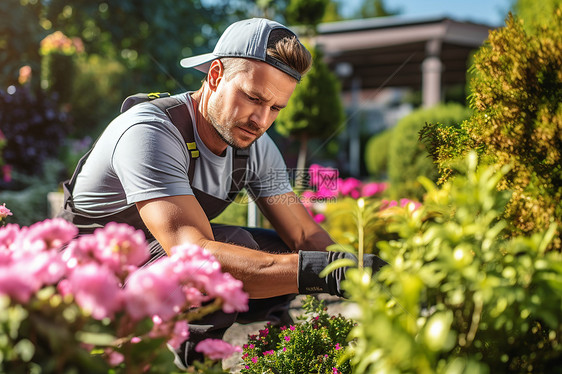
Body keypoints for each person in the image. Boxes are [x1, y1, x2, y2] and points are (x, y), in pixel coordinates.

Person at [58, 17, 386, 368]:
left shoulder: (254, 148)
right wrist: (328, 271)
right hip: (89, 278)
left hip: (158, 257)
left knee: (278, 252)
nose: (261, 120)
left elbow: (304, 234)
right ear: (215, 76)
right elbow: (194, 251)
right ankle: (196, 363)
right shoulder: (150, 132)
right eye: (253, 97)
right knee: (234, 252)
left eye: (275, 108)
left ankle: (277, 351)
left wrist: (362, 273)